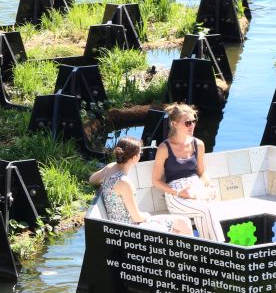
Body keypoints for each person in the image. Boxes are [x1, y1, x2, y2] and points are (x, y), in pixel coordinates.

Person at [151, 103, 226, 242]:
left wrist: (208, 184)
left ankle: (207, 254)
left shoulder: (198, 144)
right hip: (176, 194)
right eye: (187, 123)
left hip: (196, 189)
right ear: (174, 124)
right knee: (207, 210)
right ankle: (222, 251)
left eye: (193, 121)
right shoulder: (164, 148)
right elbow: (156, 181)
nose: (192, 125)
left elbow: (202, 172)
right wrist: (178, 192)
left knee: (203, 213)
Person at [92, 137, 193, 235]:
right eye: (140, 153)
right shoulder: (124, 182)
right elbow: (137, 217)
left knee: (180, 225)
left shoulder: (110, 167)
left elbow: (92, 180)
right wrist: (148, 215)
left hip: (119, 228)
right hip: (130, 231)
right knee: (184, 223)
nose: (140, 155)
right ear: (135, 157)